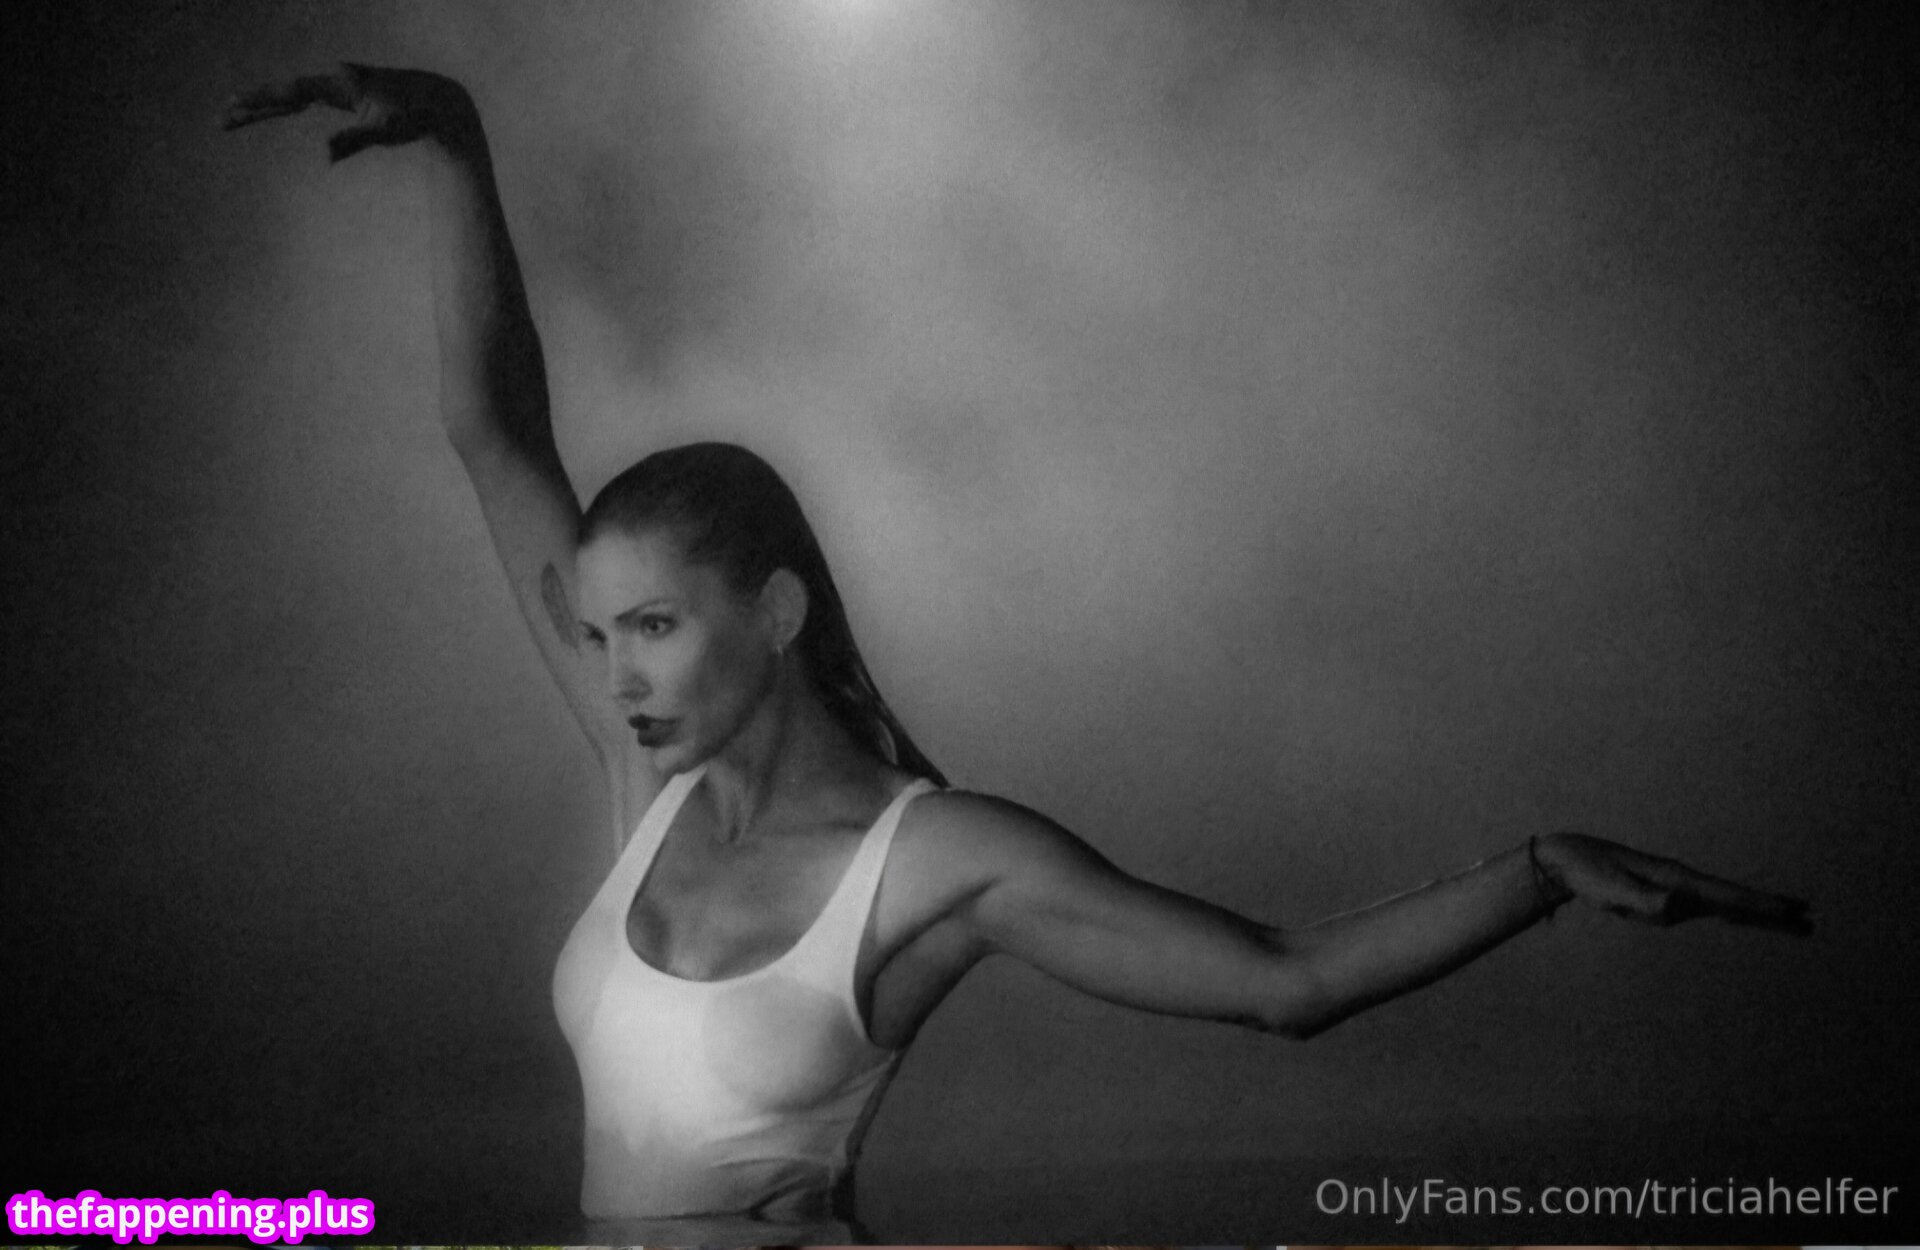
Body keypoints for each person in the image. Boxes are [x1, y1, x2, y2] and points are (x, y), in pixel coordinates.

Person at [223, 66, 1812, 1244]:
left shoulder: (935, 861)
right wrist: (457, 143)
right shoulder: (646, 773)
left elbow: (1287, 983)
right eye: (601, 630)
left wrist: (1537, 872)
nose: (615, 669)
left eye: (653, 624)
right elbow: (492, 431)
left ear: (774, 612)